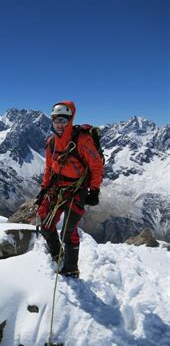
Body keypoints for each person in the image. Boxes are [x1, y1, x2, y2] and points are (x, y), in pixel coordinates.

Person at [35, 101, 104, 278]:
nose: (59, 124)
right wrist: (43, 190)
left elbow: (96, 166)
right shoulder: (51, 143)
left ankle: (71, 268)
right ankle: (58, 255)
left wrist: (94, 190)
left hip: (76, 189)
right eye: (56, 120)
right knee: (45, 223)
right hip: (57, 188)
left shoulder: (82, 140)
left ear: (70, 119)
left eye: (64, 120)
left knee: (68, 231)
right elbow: (49, 169)